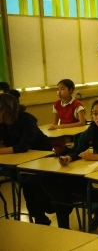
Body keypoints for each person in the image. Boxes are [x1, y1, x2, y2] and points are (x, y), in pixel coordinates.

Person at [41, 98, 98, 230]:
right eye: (94, 114)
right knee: (55, 180)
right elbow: (78, 149)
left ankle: (96, 205)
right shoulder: (92, 129)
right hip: (97, 168)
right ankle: (64, 219)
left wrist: (92, 156)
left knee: (70, 187)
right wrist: (68, 158)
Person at [0, 93, 53, 225]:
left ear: (7, 110)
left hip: (44, 156)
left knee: (29, 180)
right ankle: (39, 216)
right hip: (21, 159)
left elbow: (23, 146)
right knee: (25, 179)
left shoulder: (27, 119)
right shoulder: (2, 125)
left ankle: (41, 214)